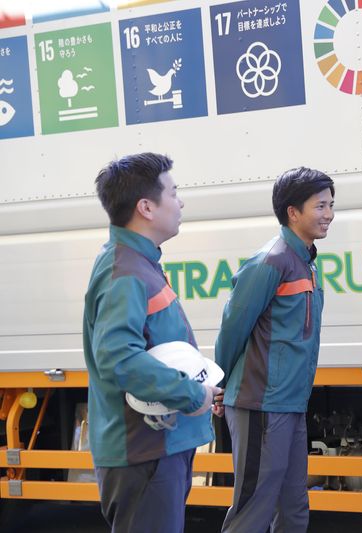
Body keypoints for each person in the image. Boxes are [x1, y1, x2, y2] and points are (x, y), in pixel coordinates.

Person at [83, 153, 219, 533]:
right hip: (145, 451)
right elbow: (119, 359)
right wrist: (191, 394)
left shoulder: (137, 263)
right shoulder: (126, 272)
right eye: (173, 193)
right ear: (146, 207)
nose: (180, 202)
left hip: (156, 447)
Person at [215, 167, 335, 533]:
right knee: (254, 509)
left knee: (294, 507)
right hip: (261, 403)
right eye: (320, 206)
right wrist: (219, 382)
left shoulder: (305, 262)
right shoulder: (269, 261)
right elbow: (233, 328)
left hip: (291, 403)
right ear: (293, 212)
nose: (329, 214)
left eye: (331, 205)